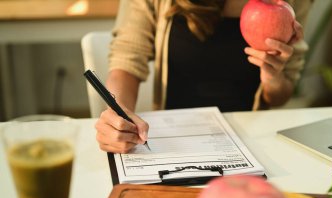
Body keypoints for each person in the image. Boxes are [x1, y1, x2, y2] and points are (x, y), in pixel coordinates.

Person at [95, 0, 312, 153]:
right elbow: (127, 59)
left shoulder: (287, 4)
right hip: (173, 138)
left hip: (253, 141)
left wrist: (272, 76)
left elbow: (280, 96)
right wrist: (119, 112)